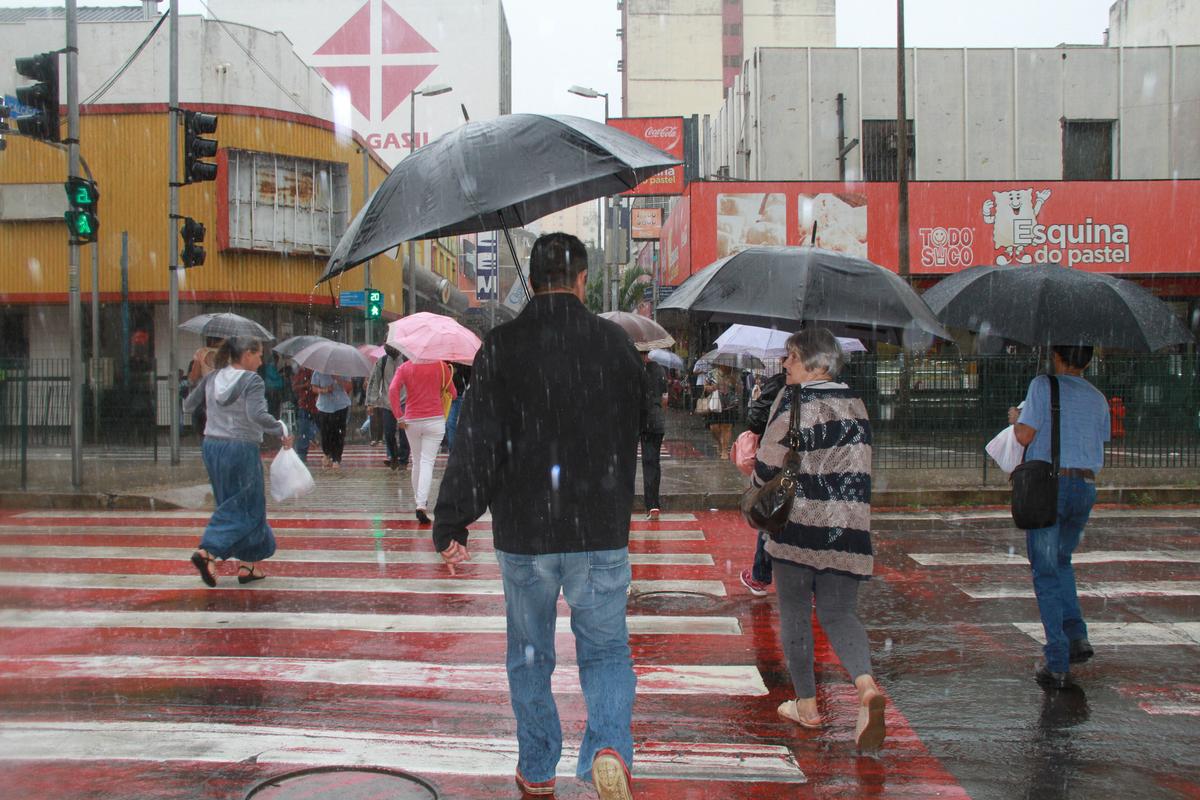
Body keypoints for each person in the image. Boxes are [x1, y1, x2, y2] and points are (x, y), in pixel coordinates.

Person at [433, 233, 648, 800]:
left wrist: (451, 520)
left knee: (530, 656)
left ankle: (537, 764)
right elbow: (645, 423)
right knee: (604, 650)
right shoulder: (615, 346)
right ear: (581, 280)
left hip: (525, 533)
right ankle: (607, 746)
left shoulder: (502, 346)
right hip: (598, 528)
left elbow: (475, 443)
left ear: (531, 278)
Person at [752, 328, 885, 752]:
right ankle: (865, 686)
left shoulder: (794, 401)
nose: (785, 365)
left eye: (792, 357)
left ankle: (806, 705)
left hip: (798, 526)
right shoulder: (856, 402)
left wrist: (748, 472)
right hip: (847, 527)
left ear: (817, 365)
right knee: (840, 614)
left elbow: (767, 468)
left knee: (794, 612)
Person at [1011, 345, 1109, 691]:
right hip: (1085, 486)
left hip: (1050, 486)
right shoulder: (1098, 397)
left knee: (1045, 571)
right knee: (1063, 561)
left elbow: (1024, 435)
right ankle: (1076, 635)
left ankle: (1057, 661)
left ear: (1057, 356)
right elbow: (1099, 439)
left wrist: (1016, 418)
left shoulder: (1043, 385)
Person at [183, 337, 293, 586]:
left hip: (212, 446)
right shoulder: (252, 380)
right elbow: (256, 415)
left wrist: (200, 375)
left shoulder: (212, 378)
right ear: (246, 355)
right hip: (240, 446)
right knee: (247, 504)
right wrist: (281, 429)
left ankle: (249, 564)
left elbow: (189, 405)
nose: (261, 360)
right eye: (258, 355)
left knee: (232, 501)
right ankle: (208, 552)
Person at [738, 368, 787, 597]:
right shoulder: (825, 392)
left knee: (771, 514)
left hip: (779, 460)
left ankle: (760, 575)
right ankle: (813, 586)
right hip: (810, 465)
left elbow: (755, 422)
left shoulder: (779, 384)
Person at [390, 359, 456, 524]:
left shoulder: (404, 367)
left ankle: (419, 500)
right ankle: (421, 503)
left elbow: (392, 389)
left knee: (417, 462)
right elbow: (453, 393)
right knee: (427, 462)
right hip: (435, 421)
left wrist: (399, 415)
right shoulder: (441, 366)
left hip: (412, 421)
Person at [366, 345, 410, 470]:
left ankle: (403, 460)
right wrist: (371, 403)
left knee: (404, 433)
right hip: (388, 403)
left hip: (404, 401)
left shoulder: (407, 360)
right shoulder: (382, 361)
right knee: (389, 433)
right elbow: (375, 381)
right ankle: (394, 456)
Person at [641, 352, 668, 520]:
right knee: (652, 463)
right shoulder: (659, 370)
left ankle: (625, 503)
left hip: (638, 419)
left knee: (627, 463)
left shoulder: (634, 369)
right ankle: (653, 504)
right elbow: (665, 398)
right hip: (656, 420)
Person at [311, 370, 352, 469]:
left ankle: (336, 458)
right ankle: (327, 453)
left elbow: (349, 387)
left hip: (340, 405)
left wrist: (337, 378)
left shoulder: (343, 370)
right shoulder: (318, 371)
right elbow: (314, 387)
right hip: (324, 407)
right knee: (325, 433)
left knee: (339, 433)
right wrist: (323, 390)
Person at [187, 336, 222, 438]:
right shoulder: (229, 354)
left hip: (206, 395)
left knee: (203, 427)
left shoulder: (201, 353)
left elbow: (194, 376)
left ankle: (207, 447)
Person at [703, 364, 739, 455]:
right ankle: (720, 443)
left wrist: (734, 382)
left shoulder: (734, 374)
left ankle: (724, 450)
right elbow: (705, 388)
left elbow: (740, 390)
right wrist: (713, 387)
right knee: (713, 427)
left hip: (729, 405)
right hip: (715, 404)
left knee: (727, 427)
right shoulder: (711, 374)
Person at [290, 365, 320, 465]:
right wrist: (305, 386)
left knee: (316, 426)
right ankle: (301, 454)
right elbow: (294, 387)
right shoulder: (302, 372)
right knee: (303, 429)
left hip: (318, 406)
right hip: (305, 405)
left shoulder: (318, 372)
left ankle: (311, 438)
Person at [443, 362, 471, 451]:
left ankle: (452, 450)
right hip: (443, 395)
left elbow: (468, 377)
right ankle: (450, 446)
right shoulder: (442, 360)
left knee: (450, 423)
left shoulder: (461, 361)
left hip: (456, 395)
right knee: (446, 423)